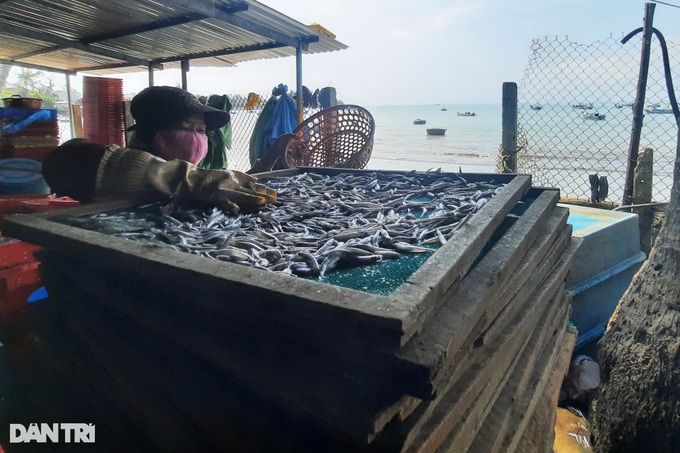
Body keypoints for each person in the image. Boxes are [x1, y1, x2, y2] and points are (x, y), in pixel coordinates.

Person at [43, 86, 277, 213]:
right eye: (186, 128)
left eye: (201, 131)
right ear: (151, 133)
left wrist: (274, 153)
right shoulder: (115, 169)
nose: (196, 139)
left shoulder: (197, 174)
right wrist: (184, 179)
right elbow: (61, 159)